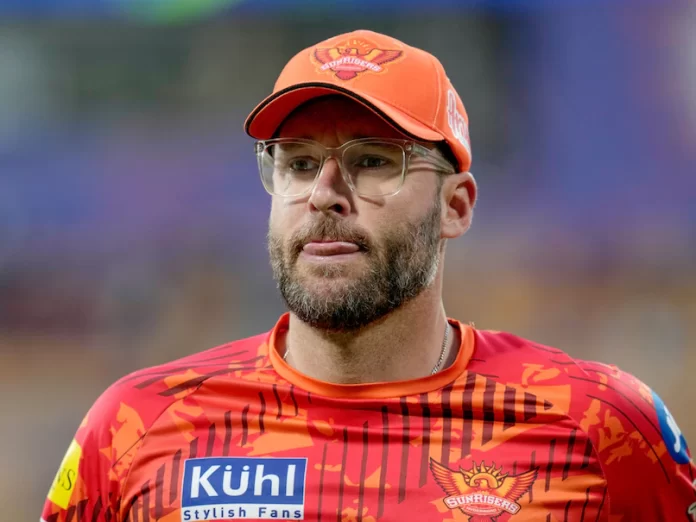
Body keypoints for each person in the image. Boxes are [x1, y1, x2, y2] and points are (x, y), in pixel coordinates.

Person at [41, 29, 696, 522]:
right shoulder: (137, 428)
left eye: (374, 161)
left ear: (456, 206)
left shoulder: (600, 426)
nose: (325, 194)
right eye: (298, 164)